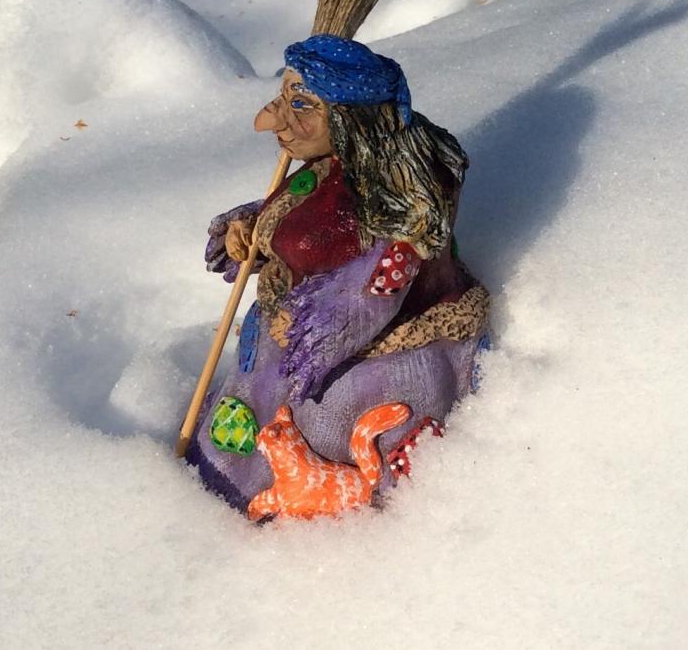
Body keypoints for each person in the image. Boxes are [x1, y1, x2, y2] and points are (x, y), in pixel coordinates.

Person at [186, 34, 489, 518]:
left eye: (301, 104)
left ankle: (338, 529)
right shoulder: (331, 165)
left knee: (325, 416)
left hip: (369, 366)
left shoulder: (403, 199)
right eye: (283, 97)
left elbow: (381, 281)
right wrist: (254, 229)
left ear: (352, 118)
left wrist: (324, 329)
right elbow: (299, 218)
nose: (270, 120)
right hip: (286, 343)